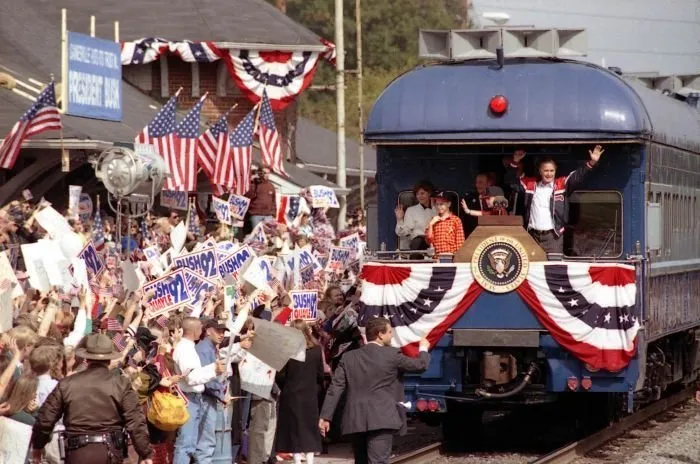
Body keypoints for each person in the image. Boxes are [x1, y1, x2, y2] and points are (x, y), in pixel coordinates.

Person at [319, 318, 431, 464]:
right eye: (390, 332)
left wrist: (325, 416)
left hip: (355, 419)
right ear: (380, 334)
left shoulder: (348, 357)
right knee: (378, 461)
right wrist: (423, 348)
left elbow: (335, 388)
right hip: (381, 418)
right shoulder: (391, 355)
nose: (392, 336)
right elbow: (420, 365)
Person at [30, 333, 154, 464]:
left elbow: (45, 419)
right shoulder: (121, 384)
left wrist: (37, 447)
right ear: (109, 358)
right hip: (108, 453)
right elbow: (135, 422)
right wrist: (145, 453)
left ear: (87, 359)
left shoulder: (68, 384)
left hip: (77, 453)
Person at [506, 145, 604, 254]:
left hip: (553, 237)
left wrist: (592, 162)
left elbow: (578, 176)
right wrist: (515, 161)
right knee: (533, 269)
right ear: (540, 171)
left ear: (555, 171)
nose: (549, 174)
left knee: (553, 269)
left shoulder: (561, 184)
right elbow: (512, 182)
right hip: (532, 235)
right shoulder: (530, 184)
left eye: (552, 170)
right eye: (546, 171)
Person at [172, 317, 227, 464]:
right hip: (188, 398)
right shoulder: (184, 349)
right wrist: (213, 370)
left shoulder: (189, 347)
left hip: (194, 399)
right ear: (195, 330)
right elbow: (190, 377)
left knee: (190, 443)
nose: (202, 332)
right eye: (200, 329)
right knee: (185, 444)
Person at [275, 320, 324, 464]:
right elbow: (320, 374)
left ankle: (297, 460)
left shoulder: (287, 351)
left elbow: (280, 375)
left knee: (294, 428)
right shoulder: (316, 350)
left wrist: (286, 387)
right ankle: (310, 459)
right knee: (309, 427)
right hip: (310, 394)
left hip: (291, 394)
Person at [394, 181, 436, 251]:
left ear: (429, 194)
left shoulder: (438, 209)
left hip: (435, 244)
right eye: (417, 194)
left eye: (422, 193)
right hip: (418, 245)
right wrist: (399, 219)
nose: (420, 196)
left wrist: (434, 208)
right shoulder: (411, 211)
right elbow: (403, 232)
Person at [425, 191, 465, 255]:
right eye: (437, 204)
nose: (439, 207)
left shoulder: (456, 220)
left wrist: (457, 258)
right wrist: (431, 225)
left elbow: (460, 242)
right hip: (437, 258)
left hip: (451, 257)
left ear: (449, 204)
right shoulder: (433, 220)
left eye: (441, 204)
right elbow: (429, 241)